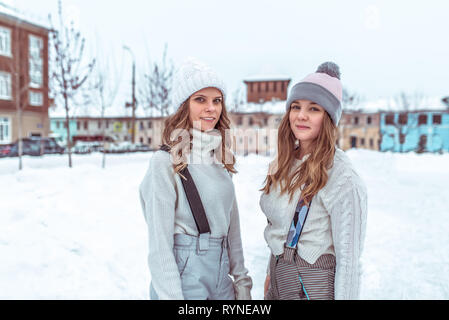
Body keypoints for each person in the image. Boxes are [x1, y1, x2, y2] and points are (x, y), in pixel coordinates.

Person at [139, 58, 252, 300]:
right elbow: (160, 246)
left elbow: (233, 230)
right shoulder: (164, 162)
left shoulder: (220, 159)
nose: (211, 108)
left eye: (217, 100)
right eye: (200, 99)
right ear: (184, 106)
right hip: (184, 276)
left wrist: (242, 284)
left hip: (221, 277)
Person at [260, 62, 367, 300]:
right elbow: (278, 227)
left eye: (314, 108)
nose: (301, 115)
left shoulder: (343, 177)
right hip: (279, 283)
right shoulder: (282, 164)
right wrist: (271, 273)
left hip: (314, 287)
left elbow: (349, 261)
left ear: (328, 117)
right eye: (295, 106)